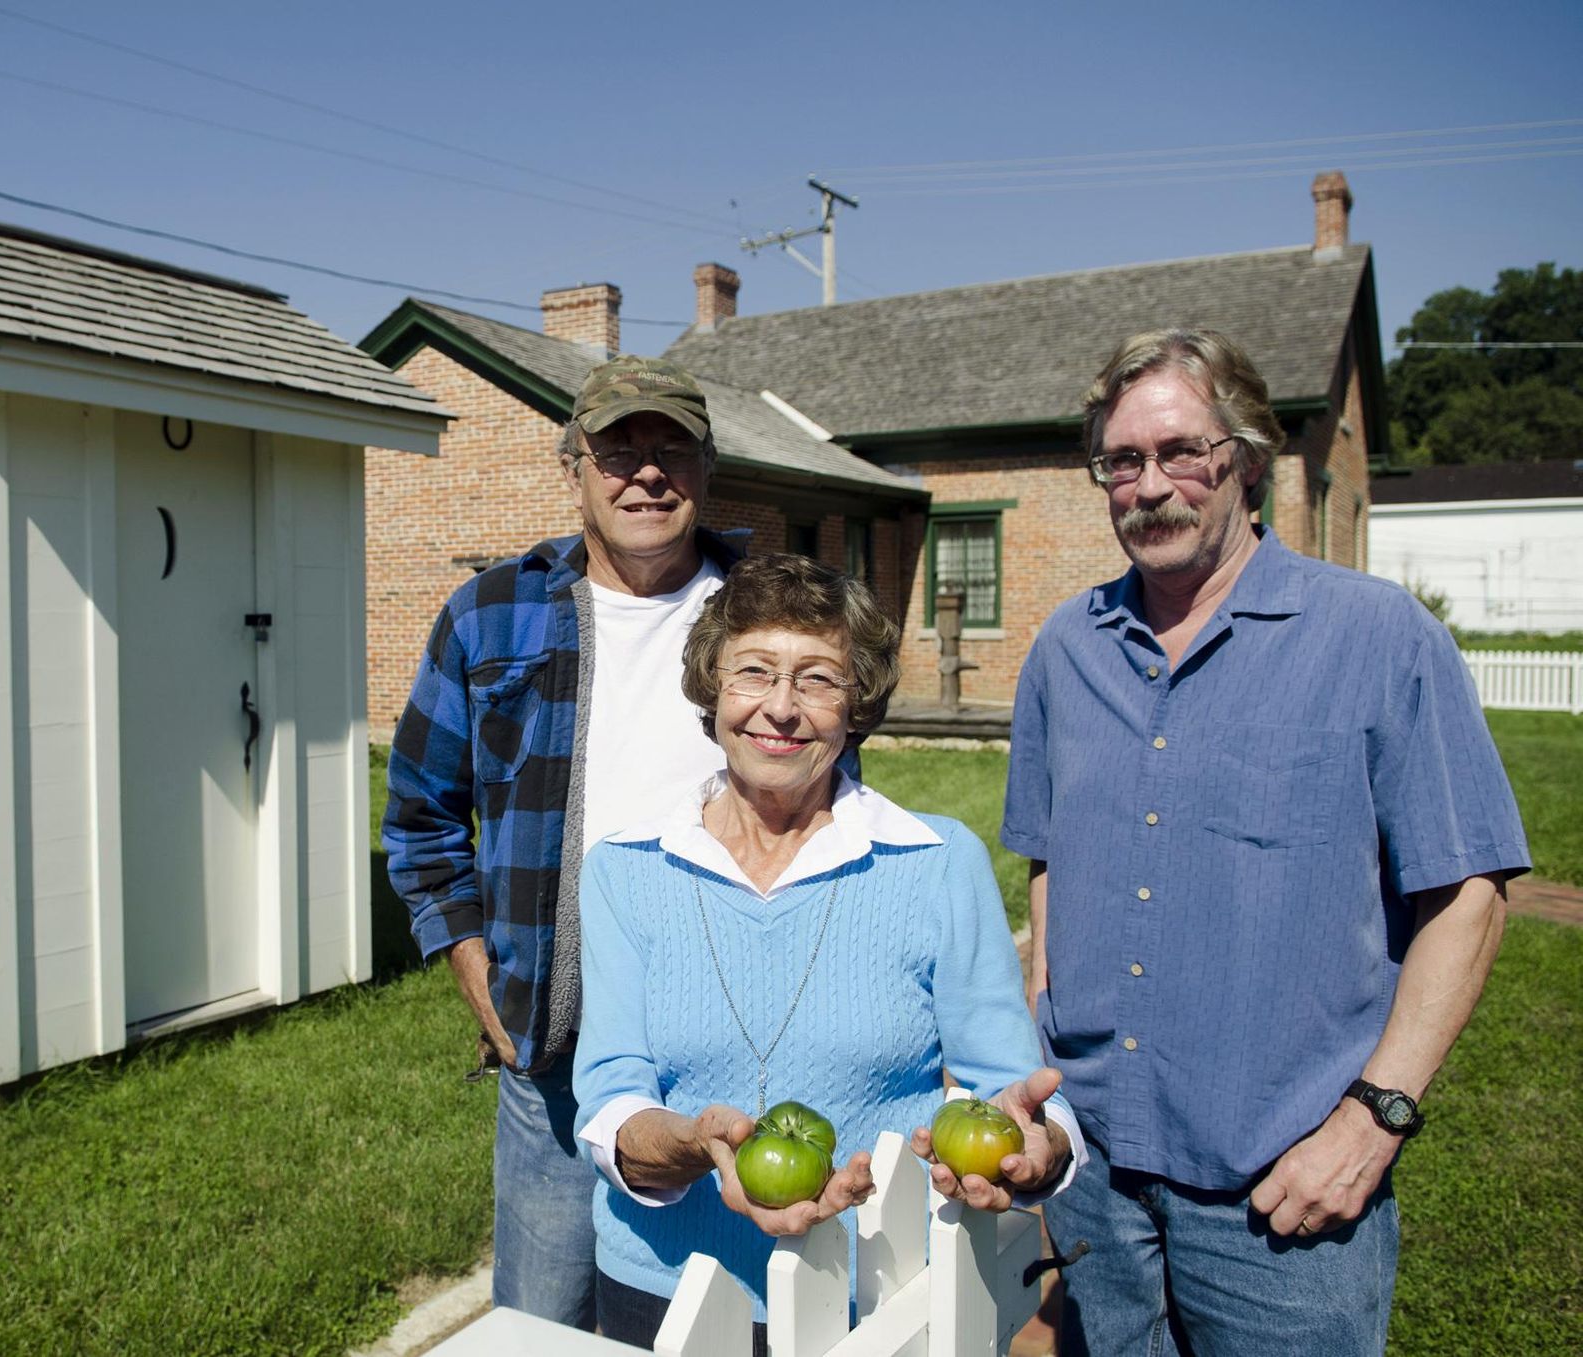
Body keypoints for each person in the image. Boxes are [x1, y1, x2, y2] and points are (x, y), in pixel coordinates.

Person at [1003, 328, 1531, 1356]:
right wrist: (1046, 1062)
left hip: (1281, 1195)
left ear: (1244, 459)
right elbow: (1048, 866)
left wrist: (1374, 1116)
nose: (1148, 486)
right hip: (1094, 1172)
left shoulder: (1377, 637)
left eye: (1180, 452)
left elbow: (1466, 897)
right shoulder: (1066, 648)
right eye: (1120, 461)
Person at [571, 554, 1085, 1353]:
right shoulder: (625, 867)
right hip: (668, 1290)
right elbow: (609, 1099)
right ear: (712, 690)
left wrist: (1041, 1147)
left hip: (878, 1291)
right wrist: (690, 1143)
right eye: (753, 672)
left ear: (857, 709)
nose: (780, 707)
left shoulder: (935, 861)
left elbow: (1003, 1090)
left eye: (817, 679)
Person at [382, 355, 751, 1329]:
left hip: (729, 1052)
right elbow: (420, 817)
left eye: (669, 448)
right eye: (617, 450)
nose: (645, 473)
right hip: (552, 1051)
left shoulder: (771, 611)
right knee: (542, 1327)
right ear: (572, 466)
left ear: (705, 468)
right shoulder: (490, 613)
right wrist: (471, 967)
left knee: (714, 1321)